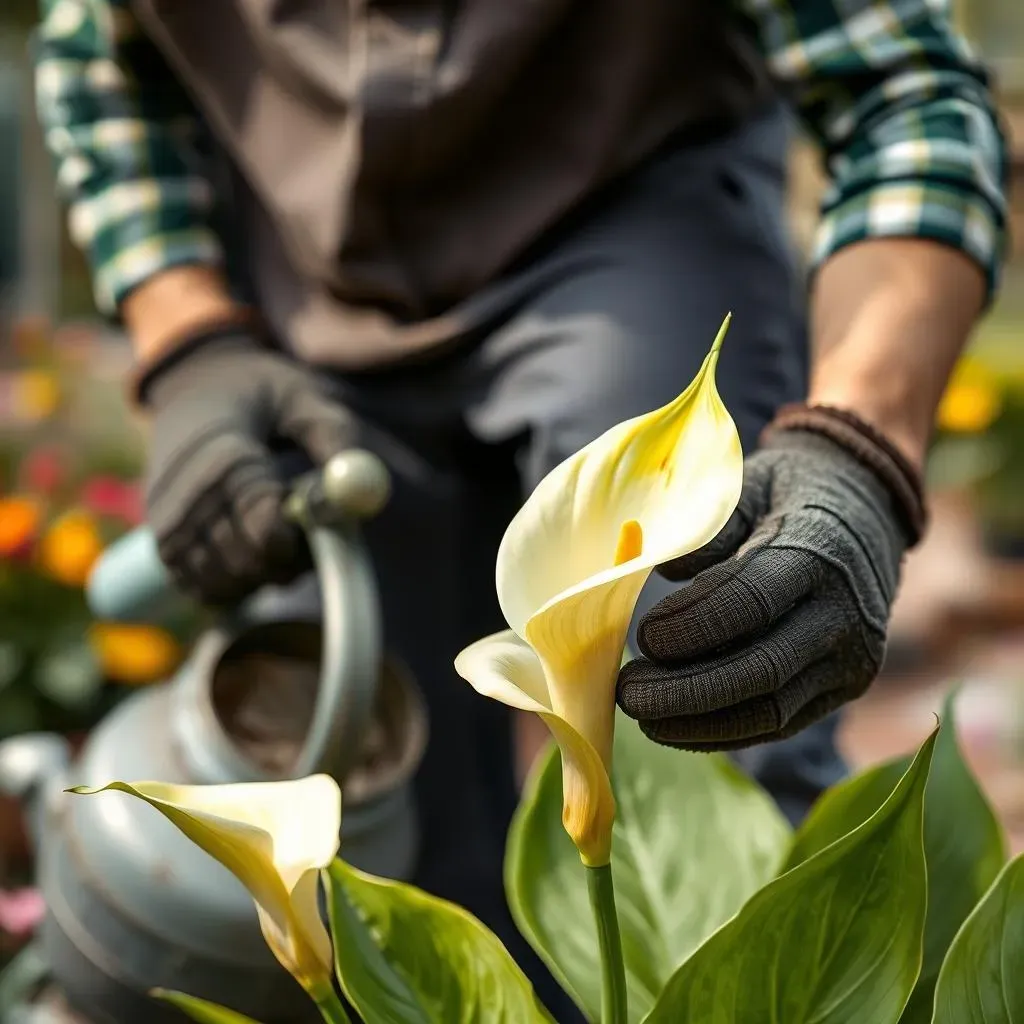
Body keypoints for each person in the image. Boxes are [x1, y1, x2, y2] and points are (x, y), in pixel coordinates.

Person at [35, 0, 1007, 1012]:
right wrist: (191, 335)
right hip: (310, 303)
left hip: (628, 214)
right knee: (371, 839)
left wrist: (857, 443)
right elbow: (94, 60)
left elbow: (906, 93)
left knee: (730, 672)